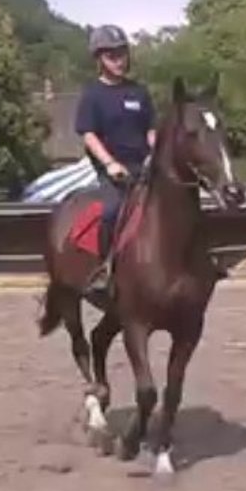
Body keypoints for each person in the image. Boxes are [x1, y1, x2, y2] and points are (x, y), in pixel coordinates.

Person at [74, 24, 157, 294]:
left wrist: (154, 154)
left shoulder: (139, 92)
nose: (119, 60)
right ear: (99, 59)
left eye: (122, 54)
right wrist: (109, 163)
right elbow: (88, 134)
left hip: (145, 167)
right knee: (111, 211)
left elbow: (151, 130)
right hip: (114, 171)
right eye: (112, 56)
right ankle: (105, 268)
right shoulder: (92, 95)